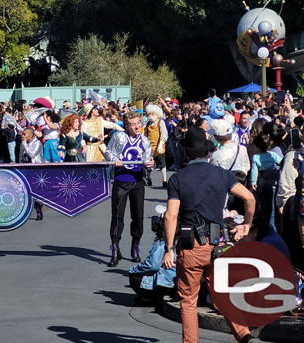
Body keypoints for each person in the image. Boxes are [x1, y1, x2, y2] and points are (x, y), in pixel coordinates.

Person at [161, 126, 258, 343]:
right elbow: (250, 199)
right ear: (207, 152)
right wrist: (247, 225)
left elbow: (170, 216)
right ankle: (244, 335)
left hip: (191, 246)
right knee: (222, 295)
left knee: (188, 301)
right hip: (218, 245)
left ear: (186, 152)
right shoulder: (222, 175)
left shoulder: (178, 179)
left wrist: (168, 249)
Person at [105, 111, 154, 267]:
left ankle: (135, 247)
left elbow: (148, 158)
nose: (137, 126)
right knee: (117, 216)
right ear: (126, 126)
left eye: (139, 123)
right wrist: (115, 160)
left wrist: (150, 164)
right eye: (133, 124)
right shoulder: (119, 137)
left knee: (138, 216)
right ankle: (115, 248)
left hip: (137, 182)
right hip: (121, 181)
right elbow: (108, 152)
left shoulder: (145, 141)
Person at [20, 127, 45, 220]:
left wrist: (24, 145)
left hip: (36, 168)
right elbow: (21, 155)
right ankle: (25, 211)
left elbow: (32, 154)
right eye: (22, 134)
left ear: (30, 135)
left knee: (35, 190)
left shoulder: (37, 143)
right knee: (25, 189)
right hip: (26, 168)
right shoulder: (23, 143)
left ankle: (38, 209)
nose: (22, 136)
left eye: (24, 134)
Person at [144, 105, 169, 187]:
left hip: (159, 147)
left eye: (152, 114)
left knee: (162, 163)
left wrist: (161, 144)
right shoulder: (148, 124)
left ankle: (165, 179)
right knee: (149, 164)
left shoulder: (160, 122)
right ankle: (148, 178)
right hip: (149, 147)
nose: (150, 116)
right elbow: (144, 135)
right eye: (149, 114)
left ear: (157, 114)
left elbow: (164, 134)